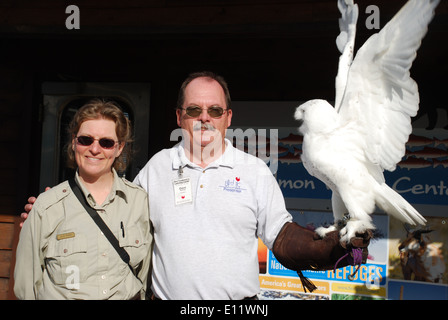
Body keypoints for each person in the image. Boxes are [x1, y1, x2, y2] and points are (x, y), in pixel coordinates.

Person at [22, 72, 369, 300]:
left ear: (228, 118)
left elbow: (280, 236)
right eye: (194, 109)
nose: (205, 117)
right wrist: (51, 217)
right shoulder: (156, 169)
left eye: (215, 110)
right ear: (179, 117)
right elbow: (114, 218)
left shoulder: (253, 171)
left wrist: (326, 248)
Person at [15, 99, 153, 300]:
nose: (95, 149)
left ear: (119, 148)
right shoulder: (46, 207)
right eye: (86, 140)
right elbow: (26, 287)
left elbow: (144, 275)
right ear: (74, 141)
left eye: (106, 142)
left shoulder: (139, 203)